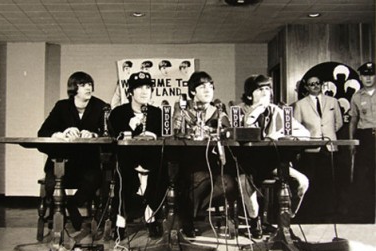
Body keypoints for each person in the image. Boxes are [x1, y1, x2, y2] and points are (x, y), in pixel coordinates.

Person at [238, 74, 310, 238]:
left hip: (274, 163)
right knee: (243, 183)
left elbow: (304, 132)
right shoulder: (240, 110)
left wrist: (280, 134)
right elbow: (244, 129)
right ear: (250, 95)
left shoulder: (277, 110)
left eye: (267, 89)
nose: (265, 92)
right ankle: (254, 220)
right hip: (248, 163)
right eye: (260, 89)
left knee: (303, 182)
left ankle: (283, 222)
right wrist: (257, 110)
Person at [38, 71, 106, 231]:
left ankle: (71, 204)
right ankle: (57, 227)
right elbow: (42, 133)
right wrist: (60, 134)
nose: (88, 88)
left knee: (95, 179)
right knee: (51, 185)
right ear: (73, 88)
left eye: (90, 84)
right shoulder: (62, 106)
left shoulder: (101, 106)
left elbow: (110, 134)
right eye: (83, 85)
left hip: (88, 163)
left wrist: (95, 134)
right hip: (61, 162)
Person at [172, 71, 236, 237]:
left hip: (214, 162)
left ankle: (191, 212)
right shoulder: (183, 108)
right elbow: (176, 131)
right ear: (193, 91)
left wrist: (218, 132)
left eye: (210, 86)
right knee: (201, 179)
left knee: (228, 183)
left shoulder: (219, 110)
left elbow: (228, 134)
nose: (208, 90)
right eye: (202, 86)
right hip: (189, 162)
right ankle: (188, 219)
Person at [109, 71, 164, 238]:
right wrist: (129, 129)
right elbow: (113, 138)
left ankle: (150, 215)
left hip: (152, 162)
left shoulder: (158, 113)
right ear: (130, 92)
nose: (144, 91)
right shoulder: (118, 112)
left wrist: (153, 136)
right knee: (121, 170)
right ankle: (120, 220)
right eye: (139, 87)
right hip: (127, 161)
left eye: (148, 87)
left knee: (165, 169)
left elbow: (166, 137)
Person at [292, 74, 343, 220]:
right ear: (307, 87)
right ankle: (311, 213)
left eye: (317, 83)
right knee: (311, 180)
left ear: (322, 84)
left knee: (329, 180)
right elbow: (297, 126)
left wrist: (327, 133)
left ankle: (328, 212)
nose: (315, 86)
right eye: (311, 84)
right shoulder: (301, 104)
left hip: (329, 146)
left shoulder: (333, 101)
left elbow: (338, 123)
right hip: (310, 149)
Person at [349, 62, 376, 222]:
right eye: (364, 75)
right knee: (364, 176)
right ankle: (366, 216)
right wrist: (353, 141)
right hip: (365, 138)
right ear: (360, 77)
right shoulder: (356, 96)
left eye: (371, 74)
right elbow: (353, 120)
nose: (368, 78)